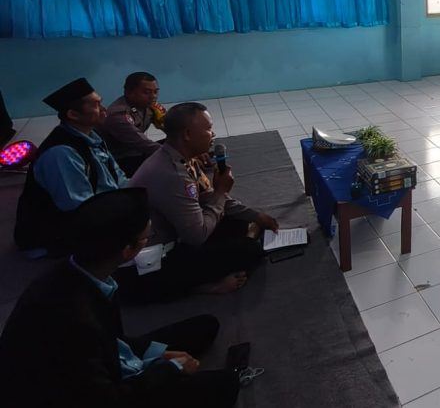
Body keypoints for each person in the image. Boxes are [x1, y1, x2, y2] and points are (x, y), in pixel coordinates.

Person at [0, 188, 239, 408]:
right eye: (147, 236)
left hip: (106, 357)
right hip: (80, 394)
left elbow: (114, 341)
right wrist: (170, 369)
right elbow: (108, 400)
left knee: (205, 326)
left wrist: (157, 354)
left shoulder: (81, 271)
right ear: (128, 250)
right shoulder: (74, 320)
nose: (151, 237)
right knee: (226, 383)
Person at [121, 103, 274, 303]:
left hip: (177, 233)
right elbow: (197, 236)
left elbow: (208, 196)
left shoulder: (180, 157)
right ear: (187, 134)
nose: (213, 134)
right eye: (209, 129)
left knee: (238, 221)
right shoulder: (171, 174)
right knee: (249, 251)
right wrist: (221, 192)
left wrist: (255, 215)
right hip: (149, 262)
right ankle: (202, 287)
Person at [14, 78, 127, 254]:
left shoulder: (92, 137)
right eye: (96, 105)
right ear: (73, 115)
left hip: (98, 207)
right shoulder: (61, 154)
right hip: (54, 231)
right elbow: (79, 208)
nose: (104, 110)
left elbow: (117, 177)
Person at [99, 71, 165, 176]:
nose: (153, 96)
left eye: (155, 92)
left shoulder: (149, 106)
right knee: (169, 158)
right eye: (147, 92)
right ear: (128, 92)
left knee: (182, 141)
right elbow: (143, 144)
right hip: (120, 160)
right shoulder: (118, 114)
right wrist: (178, 154)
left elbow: (173, 127)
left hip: (138, 152)